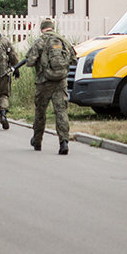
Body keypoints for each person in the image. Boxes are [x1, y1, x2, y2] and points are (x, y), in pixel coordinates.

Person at [23, 19, 76, 155]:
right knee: (61, 111)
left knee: (40, 112)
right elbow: (74, 58)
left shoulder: (40, 41)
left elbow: (29, 62)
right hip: (60, 82)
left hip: (44, 82)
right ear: (52, 28)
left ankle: (37, 141)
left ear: (42, 29)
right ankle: (63, 142)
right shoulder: (63, 41)